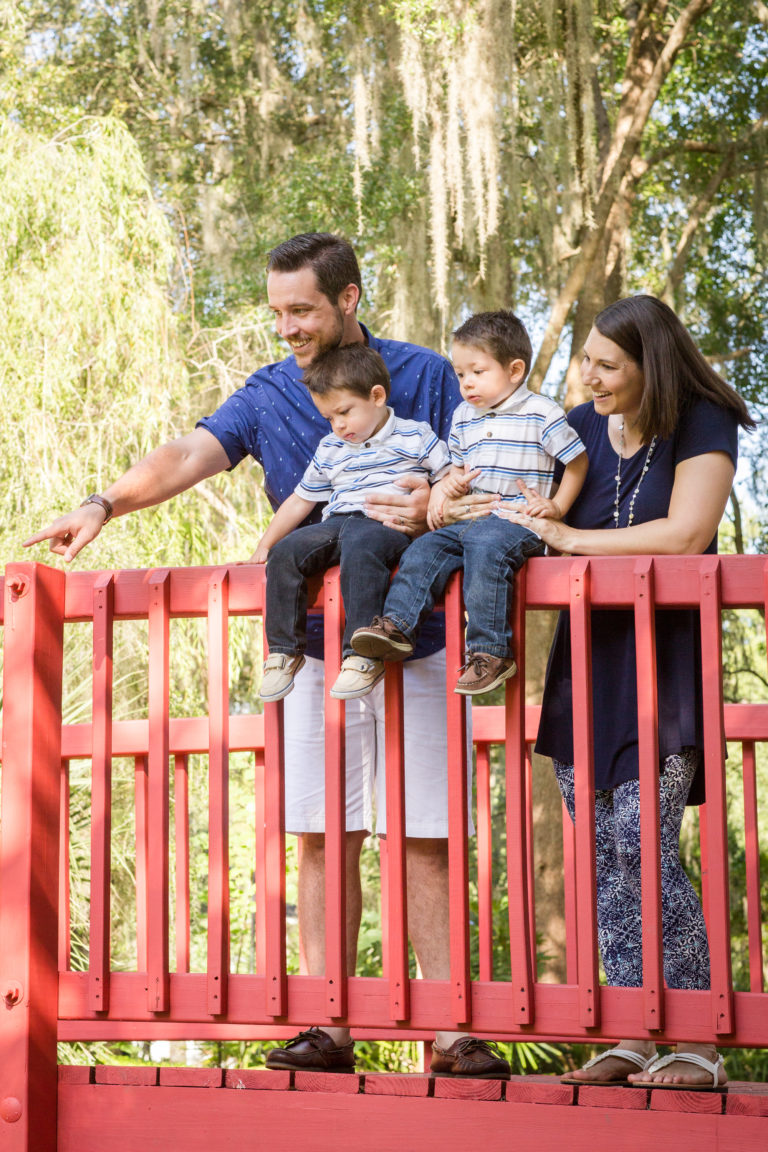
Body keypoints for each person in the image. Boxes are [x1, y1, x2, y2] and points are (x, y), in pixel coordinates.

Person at [23, 232, 511, 1080]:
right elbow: (186, 455)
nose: (287, 326)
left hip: (420, 638)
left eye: (303, 310)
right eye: (277, 311)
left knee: (424, 834)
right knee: (323, 835)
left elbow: (476, 469)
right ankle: (329, 1025)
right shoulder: (269, 394)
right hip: (316, 651)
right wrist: (104, 503)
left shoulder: (427, 375)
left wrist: (434, 502)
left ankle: (451, 1030)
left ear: (348, 301)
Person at [491, 295, 753, 1090]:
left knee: (642, 843)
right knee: (604, 855)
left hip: (664, 671)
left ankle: (698, 1039)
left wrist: (574, 540)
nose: (589, 377)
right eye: (587, 361)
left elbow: (685, 532)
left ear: (652, 364)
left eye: (609, 364)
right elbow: (518, 499)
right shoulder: (574, 428)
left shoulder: (702, 419)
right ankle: (635, 1031)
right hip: (585, 669)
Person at [351, 310, 588, 695]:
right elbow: (456, 470)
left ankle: (490, 652)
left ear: (514, 370)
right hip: (471, 518)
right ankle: (396, 625)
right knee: (425, 547)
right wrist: (450, 487)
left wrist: (557, 507)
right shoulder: (464, 416)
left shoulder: (541, 413)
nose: (466, 383)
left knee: (485, 546)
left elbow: (577, 462)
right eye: (461, 374)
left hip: (518, 520)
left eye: (477, 372)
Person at [252, 342, 450, 702]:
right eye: (329, 417)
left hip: (384, 523)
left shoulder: (415, 435)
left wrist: (436, 498)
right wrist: (266, 545)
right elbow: (300, 500)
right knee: (286, 553)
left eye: (344, 412)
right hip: (338, 521)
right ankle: (283, 652)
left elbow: (448, 475)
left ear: (376, 396)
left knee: (361, 551)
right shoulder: (331, 447)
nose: (338, 425)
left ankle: (361, 655)